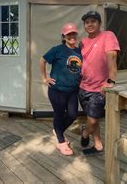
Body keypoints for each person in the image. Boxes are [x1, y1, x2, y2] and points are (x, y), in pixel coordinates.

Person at [78, 10, 120, 155]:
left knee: (93, 120)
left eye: (93, 21)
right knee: (91, 117)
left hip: (99, 88)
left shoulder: (108, 35)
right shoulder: (82, 42)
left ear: (100, 23)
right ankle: (98, 145)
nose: (90, 24)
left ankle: (84, 134)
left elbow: (112, 57)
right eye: (87, 22)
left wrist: (111, 81)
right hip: (83, 87)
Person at [39, 23, 82, 156]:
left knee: (73, 114)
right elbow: (42, 60)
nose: (72, 37)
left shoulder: (79, 51)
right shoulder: (57, 50)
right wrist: (44, 78)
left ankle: (58, 130)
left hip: (73, 90)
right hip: (57, 90)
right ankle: (61, 142)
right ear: (64, 36)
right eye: (68, 34)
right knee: (58, 114)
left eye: (73, 33)